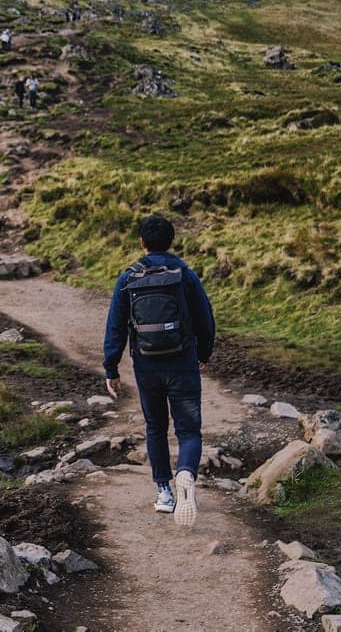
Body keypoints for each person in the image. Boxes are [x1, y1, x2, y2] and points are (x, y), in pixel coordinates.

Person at [102, 214, 215, 528]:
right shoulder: (185, 274)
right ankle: (186, 474)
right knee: (188, 431)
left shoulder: (128, 278)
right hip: (183, 362)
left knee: (155, 426)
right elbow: (205, 318)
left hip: (146, 364)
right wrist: (203, 353)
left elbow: (115, 327)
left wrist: (111, 367)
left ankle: (164, 492)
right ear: (172, 241)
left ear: (141, 242)